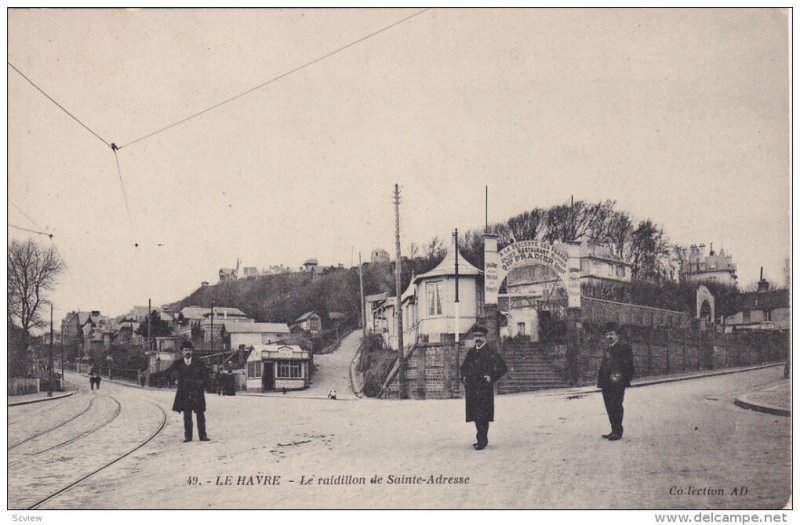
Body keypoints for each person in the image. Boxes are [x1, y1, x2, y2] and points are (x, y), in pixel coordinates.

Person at [460, 323, 508, 451]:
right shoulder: (471, 352)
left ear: (485, 337)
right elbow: (463, 368)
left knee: (483, 416)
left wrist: (491, 377)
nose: (478, 339)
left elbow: (503, 367)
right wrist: (463, 377)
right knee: (475, 415)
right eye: (475, 336)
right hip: (472, 388)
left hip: (484, 389)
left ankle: (483, 440)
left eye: (480, 336)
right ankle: (480, 439)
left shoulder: (490, 351)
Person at [598, 321, 635, 441]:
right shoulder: (608, 348)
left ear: (617, 335)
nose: (609, 337)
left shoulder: (624, 347)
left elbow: (630, 366)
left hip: (617, 383)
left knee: (616, 406)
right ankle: (614, 429)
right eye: (607, 334)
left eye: (612, 334)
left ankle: (618, 431)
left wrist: (624, 380)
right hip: (606, 383)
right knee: (609, 406)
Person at [168, 342, 211, 442]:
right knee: (187, 415)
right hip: (184, 393)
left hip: (197, 392)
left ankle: (203, 435)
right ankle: (188, 436)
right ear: (182, 352)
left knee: (200, 414)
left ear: (192, 352)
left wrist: (204, 385)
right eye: (186, 350)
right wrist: (173, 379)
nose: (188, 352)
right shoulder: (177, 363)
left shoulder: (199, 363)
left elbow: (206, 375)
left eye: (190, 350)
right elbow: (170, 373)